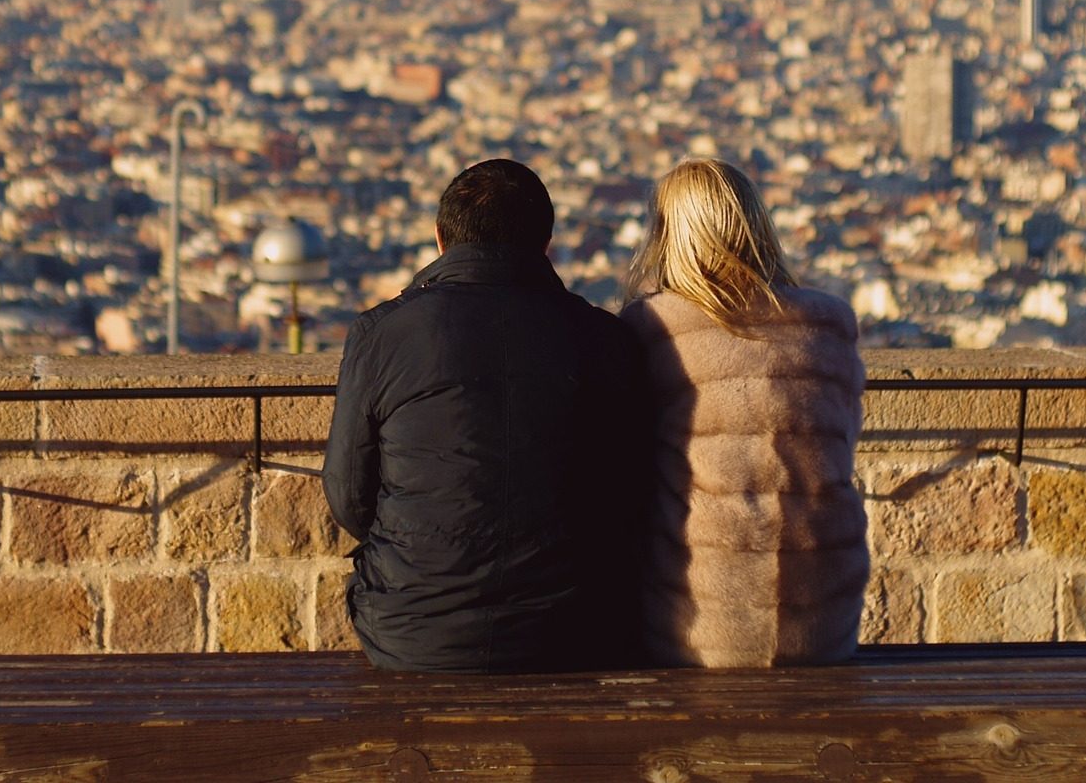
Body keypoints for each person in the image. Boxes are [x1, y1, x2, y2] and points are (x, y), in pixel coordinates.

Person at [323, 158, 650, 673]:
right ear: (546, 244)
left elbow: (348, 498)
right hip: (572, 633)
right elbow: (626, 493)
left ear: (440, 240)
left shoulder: (382, 335)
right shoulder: (602, 339)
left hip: (414, 633)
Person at [619, 158, 866, 667]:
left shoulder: (652, 327)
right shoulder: (827, 324)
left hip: (697, 623)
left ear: (671, 234)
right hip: (822, 622)